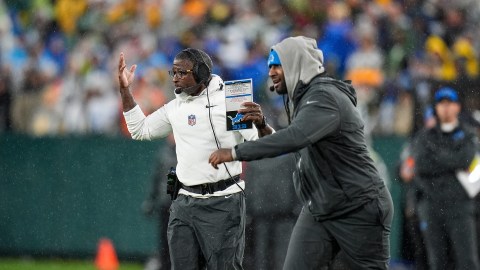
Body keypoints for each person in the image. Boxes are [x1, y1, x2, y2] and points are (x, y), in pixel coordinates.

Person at [209, 36, 393, 269]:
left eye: (278, 66)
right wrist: (265, 128)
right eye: (270, 67)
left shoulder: (323, 96)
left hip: (358, 207)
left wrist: (235, 152)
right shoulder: (306, 98)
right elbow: (298, 141)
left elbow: (295, 138)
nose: (272, 72)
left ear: (297, 64)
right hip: (322, 204)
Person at [117, 48, 273, 269]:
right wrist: (125, 89)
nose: (175, 78)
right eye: (173, 73)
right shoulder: (176, 107)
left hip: (224, 200)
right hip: (185, 203)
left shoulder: (231, 100)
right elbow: (139, 129)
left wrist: (262, 124)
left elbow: (266, 146)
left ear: (201, 72)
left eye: (182, 72)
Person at [412, 86, 479, 270]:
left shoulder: (468, 134)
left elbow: (465, 158)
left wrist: (438, 158)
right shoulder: (425, 136)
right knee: (436, 261)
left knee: (467, 260)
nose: (446, 108)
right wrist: (452, 160)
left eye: (450, 103)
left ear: (458, 107)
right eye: (441, 104)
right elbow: (421, 165)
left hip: (460, 205)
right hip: (432, 204)